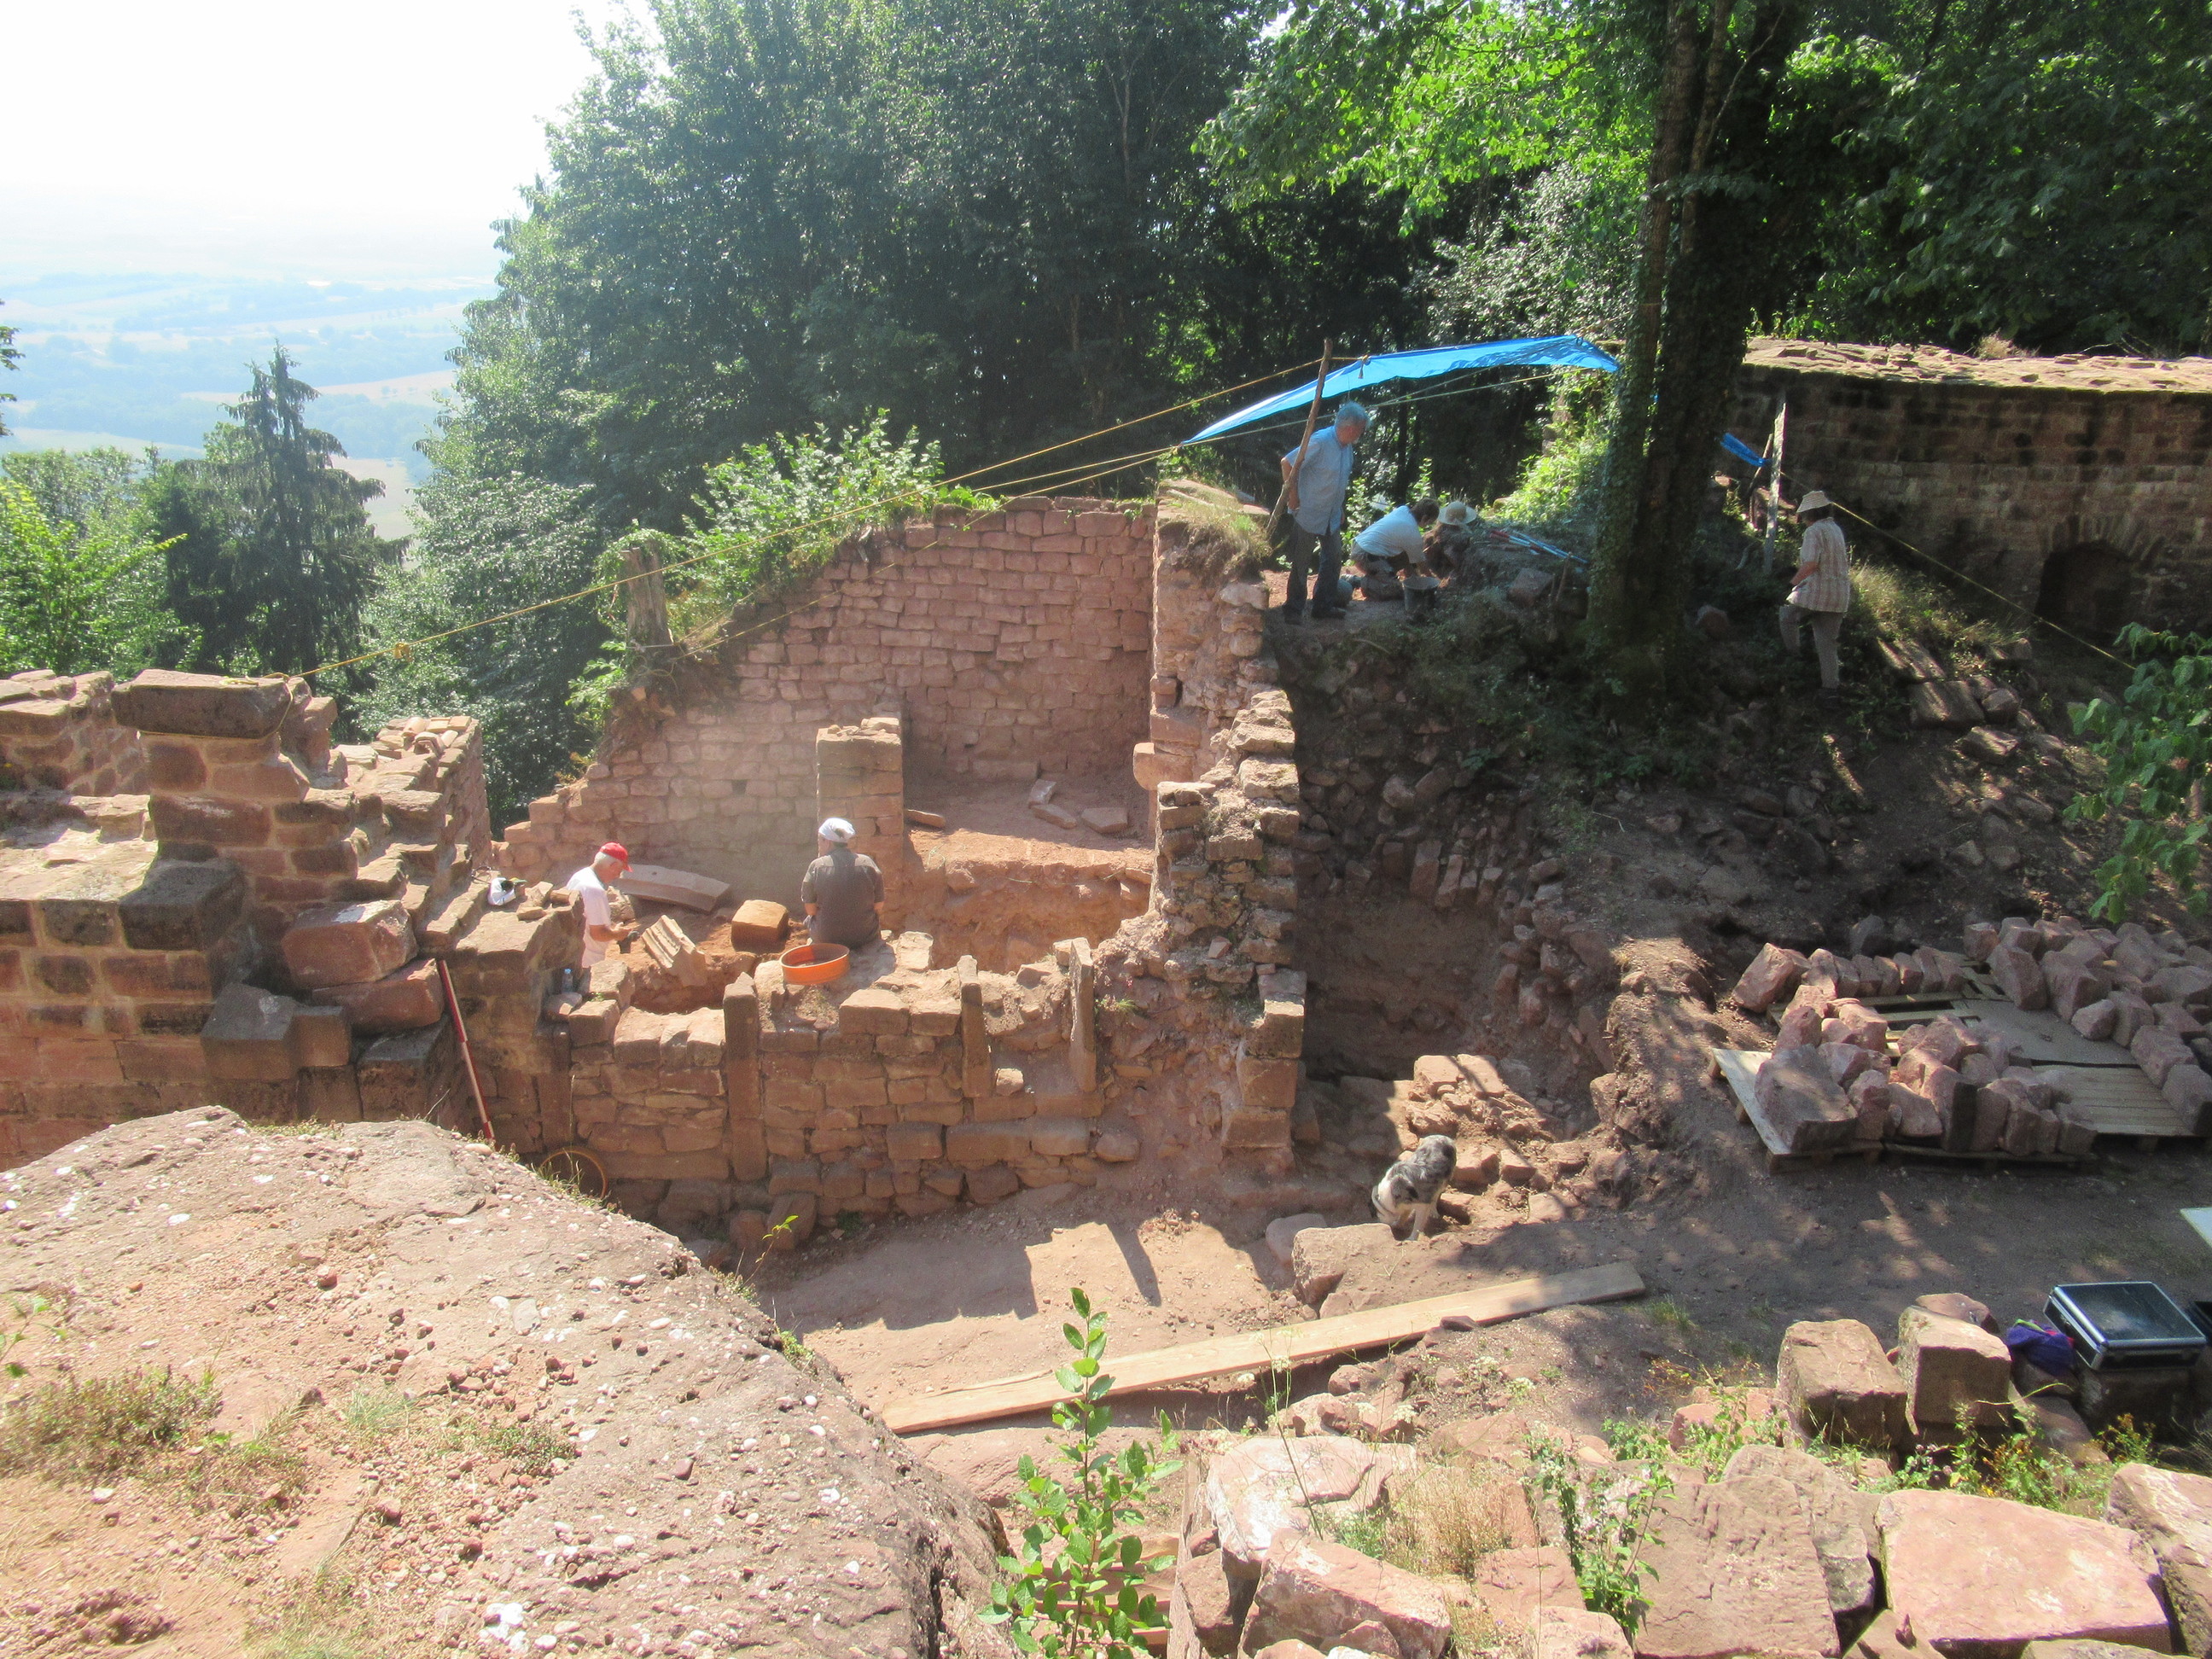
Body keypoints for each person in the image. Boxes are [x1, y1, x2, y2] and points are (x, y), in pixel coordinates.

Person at [1278, 402, 1370, 623]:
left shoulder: (1347, 447)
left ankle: (1323, 606)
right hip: (1308, 513)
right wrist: (1293, 497)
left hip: (1331, 516)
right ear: (1351, 428)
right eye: (1361, 429)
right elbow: (1287, 463)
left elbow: (1339, 480)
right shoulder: (1320, 441)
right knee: (1301, 564)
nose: (1362, 433)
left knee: (1334, 559)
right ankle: (1293, 610)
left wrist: (1340, 507)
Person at [1779, 490, 1852, 705]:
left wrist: (1791, 584)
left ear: (1809, 514)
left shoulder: (1814, 531)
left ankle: (1794, 658)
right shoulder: (1836, 529)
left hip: (1818, 591)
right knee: (1827, 644)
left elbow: (1811, 564)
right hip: (1839, 595)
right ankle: (1830, 690)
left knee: (1787, 614)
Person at [801, 817, 884, 950]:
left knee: (808, 920)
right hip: (865, 936)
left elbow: (811, 910)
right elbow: (878, 906)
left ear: (827, 842)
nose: (819, 843)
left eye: (820, 839)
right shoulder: (867, 863)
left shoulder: (817, 866)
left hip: (826, 938)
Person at [1351, 496, 1439, 607]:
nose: (1428, 525)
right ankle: (1357, 582)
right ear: (1425, 517)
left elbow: (1408, 558)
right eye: (1429, 522)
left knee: (1406, 554)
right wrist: (1433, 582)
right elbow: (1422, 567)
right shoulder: (1412, 532)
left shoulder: (1403, 510)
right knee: (1396, 590)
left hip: (1360, 545)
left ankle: (1384, 575)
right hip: (1365, 555)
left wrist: (1413, 576)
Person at [568, 841, 638, 971]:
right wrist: (617, 934)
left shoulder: (579, 876)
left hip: (575, 953)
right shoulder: (594, 891)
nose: (618, 875)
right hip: (588, 960)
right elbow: (598, 934)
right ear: (613, 866)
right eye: (619, 870)